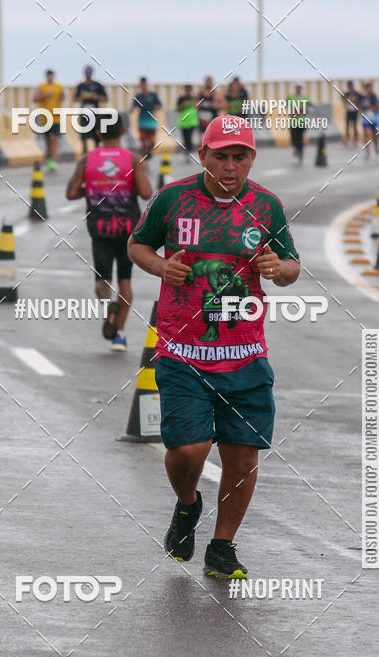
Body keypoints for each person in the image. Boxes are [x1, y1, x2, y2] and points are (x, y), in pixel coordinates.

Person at [127, 115, 300, 577]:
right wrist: (162, 268)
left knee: (242, 456)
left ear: (251, 158)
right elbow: (137, 246)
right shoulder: (173, 199)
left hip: (245, 354)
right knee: (188, 450)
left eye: (239, 156)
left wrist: (275, 268)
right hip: (183, 352)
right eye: (220, 156)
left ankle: (222, 547)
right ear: (202, 155)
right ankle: (188, 504)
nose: (230, 166)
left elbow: (291, 267)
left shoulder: (267, 206)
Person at [65, 114, 153, 350]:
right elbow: (146, 193)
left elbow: (71, 194)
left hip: (99, 228)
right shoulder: (133, 159)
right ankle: (119, 336)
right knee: (125, 279)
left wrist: (92, 188)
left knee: (102, 279)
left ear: (99, 133)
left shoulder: (86, 160)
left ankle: (107, 308)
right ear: (123, 130)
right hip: (128, 228)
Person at [33, 69, 64, 171]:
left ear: (53, 76)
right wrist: (45, 95)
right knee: (47, 140)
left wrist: (62, 96)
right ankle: (49, 159)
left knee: (53, 139)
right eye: (49, 76)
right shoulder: (42, 87)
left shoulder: (58, 87)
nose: (50, 77)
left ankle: (53, 161)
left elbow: (62, 97)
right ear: (47, 77)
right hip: (45, 118)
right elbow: (34, 98)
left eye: (51, 76)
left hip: (56, 117)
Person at [73, 65, 108, 152]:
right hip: (84, 115)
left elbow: (105, 98)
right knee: (84, 138)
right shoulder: (80, 86)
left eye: (89, 71)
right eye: (86, 71)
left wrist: (97, 97)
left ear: (92, 72)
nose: (88, 73)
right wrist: (80, 97)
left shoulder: (97, 85)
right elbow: (75, 98)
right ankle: (85, 157)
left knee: (97, 138)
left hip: (95, 115)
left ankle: (96, 156)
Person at [132, 77, 162, 159]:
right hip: (142, 121)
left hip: (152, 120)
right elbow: (133, 107)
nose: (143, 86)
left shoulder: (153, 95)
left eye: (144, 84)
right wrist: (131, 110)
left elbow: (159, 105)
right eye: (141, 85)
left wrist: (155, 110)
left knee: (152, 141)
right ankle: (144, 159)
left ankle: (149, 151)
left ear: (146, 85)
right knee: (143, 141)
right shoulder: (138, 96)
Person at [287, 83, 310, 163]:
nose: (298, 89)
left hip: (302, 122)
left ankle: (300, 154)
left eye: (299, 88)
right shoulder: (290, 97)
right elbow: (289, 111)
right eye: (297, 88)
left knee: (300, 139)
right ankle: (296, 149)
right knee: (293, 139)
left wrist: (297, 111)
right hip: (293, 122)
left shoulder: (305, 98)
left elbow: (306, 110)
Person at [175, 85, 199, 160]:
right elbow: (177, 109)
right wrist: (183, 105)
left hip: (192, 121)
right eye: (187, 90)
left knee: (190, 137)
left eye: (189, 90)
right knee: (185, 138)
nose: (188, 91)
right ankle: (187, 152)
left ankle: (189, 152)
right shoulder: (181, 98)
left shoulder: (193, 98)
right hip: (183, 122)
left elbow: (197, 107)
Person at [360, 82, 379, 157]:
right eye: (366, 88)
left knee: (374, 134)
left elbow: (378, 107)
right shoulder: (362, 97)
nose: (367, 89)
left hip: (373, 118)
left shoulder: (373, 96)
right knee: (365, 134)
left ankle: (376, 147)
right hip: (365, 118)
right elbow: (359, 106)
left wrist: (370, 107)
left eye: (368, 88)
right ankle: (367, 150)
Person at [342, 80, 362, 146]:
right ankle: (347, 139)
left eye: (351, 86)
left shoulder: (356, 93)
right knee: (347, 126)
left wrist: (359, 110)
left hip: (354, 111)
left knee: (355, 126)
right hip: (348, 111)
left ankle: (355, 140)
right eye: (349, 87)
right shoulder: (346, 93)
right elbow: (344, 101)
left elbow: (358, 101)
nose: (350, 88)